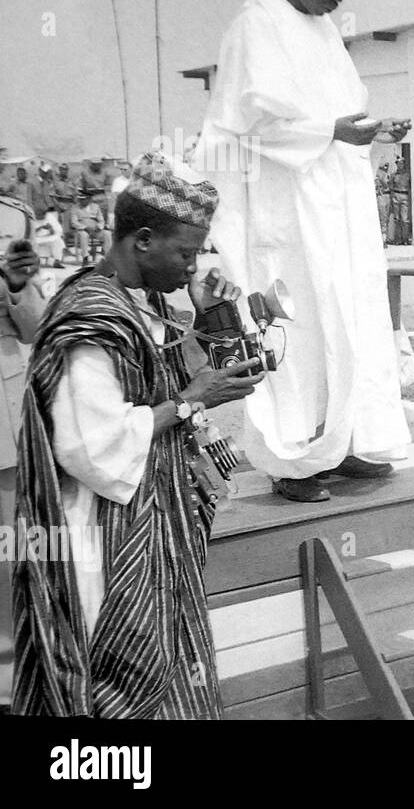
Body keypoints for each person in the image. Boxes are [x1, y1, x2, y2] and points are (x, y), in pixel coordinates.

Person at [11, 153, 264, 718]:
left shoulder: (142, 302)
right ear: (143, 240)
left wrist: (209, 317)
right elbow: (89, 449)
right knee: (124, 679)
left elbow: (179, 380)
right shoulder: (91, 316)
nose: (193, 265)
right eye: (186, 252)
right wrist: (192, 399)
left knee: (168, 665)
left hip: (153, 523)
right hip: (105, 537)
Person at [193, 0, 412, 503]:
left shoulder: (323, 32)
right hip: (287, 218)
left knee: (352, 324)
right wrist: (330, 128)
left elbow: (340, 112)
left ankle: (345, 446)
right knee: (299, 337)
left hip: (336, 211)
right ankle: (294, 465)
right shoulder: (256, 23)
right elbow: (248, 121)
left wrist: (358, 129)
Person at [0, 237, 46, 712]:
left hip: (1, 414)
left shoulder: (11, 218)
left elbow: (36, 329)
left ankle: (8, 682)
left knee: (5, 559)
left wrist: (17, 284)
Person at [69, 191, 111, 264]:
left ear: (89, 199)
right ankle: (85, 257)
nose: (81, 201)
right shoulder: (75, 207)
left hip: (95, 229)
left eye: (83, 199)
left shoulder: (95, 206)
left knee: (107, 233)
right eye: (80, 199)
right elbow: (74, 222)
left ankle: (108, 257)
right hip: (82, 229)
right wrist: (84, 227)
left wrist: (99, 227)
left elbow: (101, 220)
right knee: (84, 235)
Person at [80, 157, 112, 223]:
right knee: (92, 219)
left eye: (100, 164)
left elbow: (108, 185)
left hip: (102, 198)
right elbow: (81, 187)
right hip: (91, 198)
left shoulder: (105, 172)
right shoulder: (85, 173)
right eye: (97, 165)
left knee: (104, 218)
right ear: (92, 165)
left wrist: (107, 197)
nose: (99, 166)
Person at [51, 163, 78, 232]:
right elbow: (52, 196)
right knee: (62, 229)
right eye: (62, 169)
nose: (64, 171)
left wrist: (75, 206)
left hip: (71, 206)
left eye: (66, 169)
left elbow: (75, 195)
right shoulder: (55, 182)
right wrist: (58, 206)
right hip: (60, 205)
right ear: (59, 170)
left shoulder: (71, 181)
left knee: (74, 226)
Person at [375, 160, 393, 245]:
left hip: (388, 196)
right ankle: (382, 240)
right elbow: (381, 185)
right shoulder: (379, 174)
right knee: (382, 218)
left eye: (387, 165)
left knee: (386, 218)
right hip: (381, 196)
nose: (386, 167)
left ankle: (385, 238)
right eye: (384, 165)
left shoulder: (388, 174)